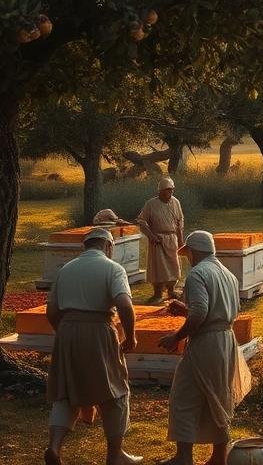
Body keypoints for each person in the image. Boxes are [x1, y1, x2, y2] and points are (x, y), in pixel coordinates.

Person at [44, 227, 141, 465]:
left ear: (84, 247)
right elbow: (125, 305)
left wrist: (66, 333)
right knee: (116, 391)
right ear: (109, 247)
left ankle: (55, 448)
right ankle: (115, 455)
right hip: (99, 330)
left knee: (65, 393)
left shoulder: (66, 270)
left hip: (66, 331)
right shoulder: (113, 269)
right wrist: (130, 337)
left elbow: (52, 311)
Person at [158, 231, 252, 465]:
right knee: (218, 396)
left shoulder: (198, 273)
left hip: (206, 342)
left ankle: (183, 457)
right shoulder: (227, 274)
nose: (188, 257)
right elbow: (222, 310)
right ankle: (219, 457)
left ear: (194, 250)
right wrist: (185, 311)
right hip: (226, 339)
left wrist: (176, 337)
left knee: (183, 396)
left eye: (188, 252)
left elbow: (200, 312)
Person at [135, 176, 184, 302]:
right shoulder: (151, 204)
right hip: (158, 240)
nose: (171, 192)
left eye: (172, 190)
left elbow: (179, 222)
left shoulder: (176, 202)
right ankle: (157, 293)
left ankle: (171, 290)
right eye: (168, 190)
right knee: (158, 268)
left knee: (174, 265)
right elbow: (141, 221)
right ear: (160, 191)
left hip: (172, 238)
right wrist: (151, 235)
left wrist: (180, 240)